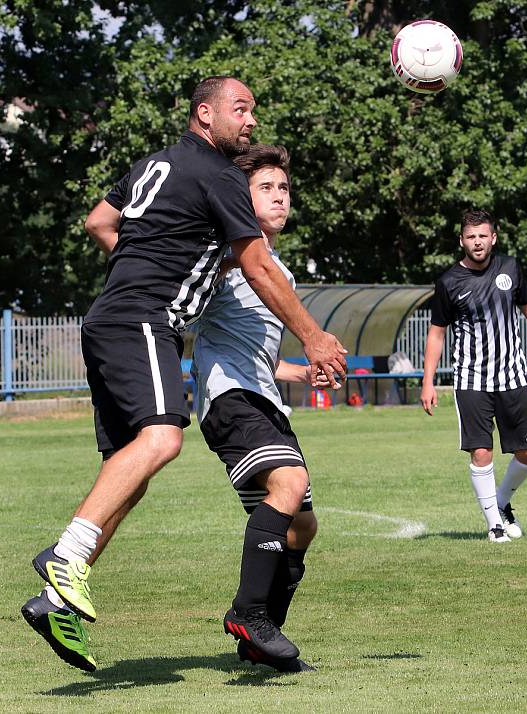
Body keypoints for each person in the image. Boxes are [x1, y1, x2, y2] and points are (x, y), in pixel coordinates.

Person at [21, 76, 346, 673]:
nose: (250, 121)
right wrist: (315, 335)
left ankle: (56, 601)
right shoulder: (220, 174)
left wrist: (143, 259)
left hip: (112, 317)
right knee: (165, 437)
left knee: (130, 471)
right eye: (241, 109)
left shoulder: (156, 164)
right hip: (143, 318)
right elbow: (256, 265)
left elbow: (98, 221)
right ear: (205, 113)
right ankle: (66, 559)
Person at [193, 143, 333, 672]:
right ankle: (249, 612)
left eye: (284, 188)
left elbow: (262, 356)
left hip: (263, 397)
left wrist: (302, 370)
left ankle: (260, 637)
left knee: (302, 525)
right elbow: (188, 316)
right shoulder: (227, 260)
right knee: (289, 485)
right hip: (228, 397)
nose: (279, 197)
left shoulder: (279, 272)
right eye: (265, 188)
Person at [420, 210, 527, 543]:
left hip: (513, 376)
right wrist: (428, 381)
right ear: (462, 240)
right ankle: (494, 525)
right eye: (471, 237)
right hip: (472, 380)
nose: (477, 242)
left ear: (493, 238)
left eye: (483, 236)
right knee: (481, 451)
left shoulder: (510, 268)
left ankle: (500, 503)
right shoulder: (448, 282)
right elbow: (436, 334)